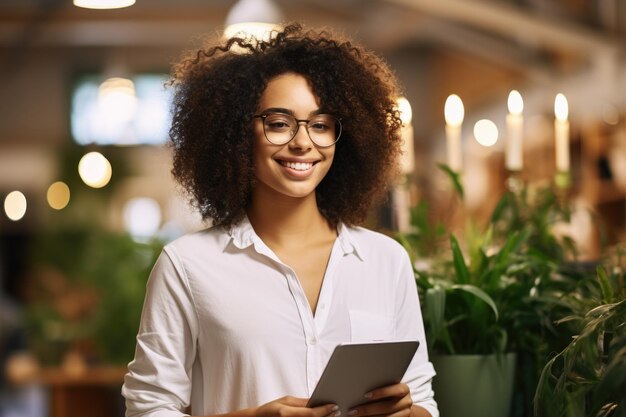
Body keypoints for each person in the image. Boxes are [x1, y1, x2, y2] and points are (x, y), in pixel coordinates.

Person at [122, 23, 438, 417]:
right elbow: (147, 409)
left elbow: (423, 400)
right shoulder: (187, 266)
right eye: (279, 123)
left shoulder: (385, 261)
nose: (303, 141)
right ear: (238, 133)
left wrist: (406, 413)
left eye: (321, 125)